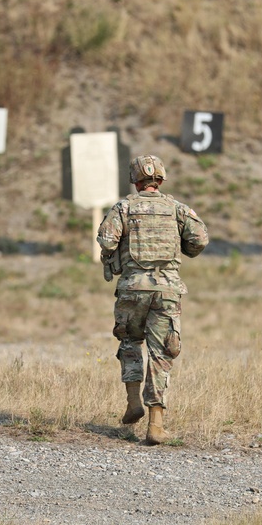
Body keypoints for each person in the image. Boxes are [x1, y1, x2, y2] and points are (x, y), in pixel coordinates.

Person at [97, 155, 208, 445]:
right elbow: (200, 240)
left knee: (131, 341)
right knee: (162, 354)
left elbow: (107, 240)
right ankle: (156, 424)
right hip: (168, 289)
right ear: (161, 179)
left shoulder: (124, 207)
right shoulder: (177, 209)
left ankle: (133, 402)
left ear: (134, 180)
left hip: (133, 287)